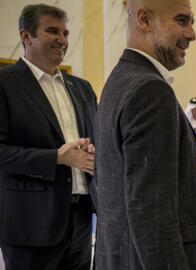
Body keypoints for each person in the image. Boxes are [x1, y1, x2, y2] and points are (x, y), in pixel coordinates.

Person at [94, 0, 196, 269]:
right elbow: (153, 217)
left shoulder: (120, 79)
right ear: (145, 20)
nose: (192, 34)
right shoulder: (150, 90)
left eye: (192, 22)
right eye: (182, 20)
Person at [0, 4, 97, 270]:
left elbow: (96, 139)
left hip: (81, 218)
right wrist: (57, 158)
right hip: (30, 223)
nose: (62, 40)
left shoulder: (82, 88)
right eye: (52, 31)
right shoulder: (5, 83)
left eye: (65, 33)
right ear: (26, 36)